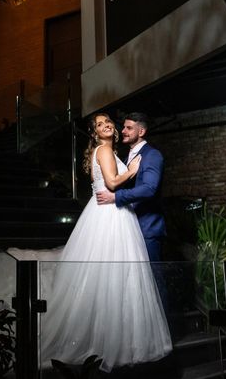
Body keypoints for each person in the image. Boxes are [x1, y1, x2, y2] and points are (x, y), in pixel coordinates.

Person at [38, 113, 172, 371]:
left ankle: (122, 337)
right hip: (111, 216)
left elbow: (148, 189)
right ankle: (112, 340)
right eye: (100, 124)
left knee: (122, 279)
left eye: (111, 121)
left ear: (141, 132)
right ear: (94, 133)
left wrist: (120, 191)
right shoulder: (106, 151)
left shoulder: (143, 154)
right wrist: (130, 172)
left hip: (120, 216)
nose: (112, 126)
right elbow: (111, 183)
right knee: (113, 277)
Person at [95, 112, 165, 262]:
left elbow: (149, 188)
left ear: (141, 132)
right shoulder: (127, 158)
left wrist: (116, 197)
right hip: (128, 228)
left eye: (129, 128)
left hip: (147, 229)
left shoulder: (152, 155)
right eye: (123, 128)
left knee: (153, 280)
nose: (123, 131)